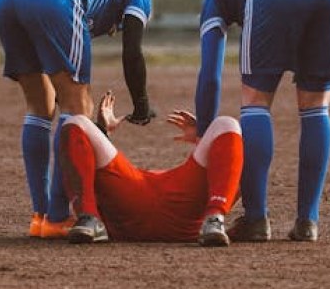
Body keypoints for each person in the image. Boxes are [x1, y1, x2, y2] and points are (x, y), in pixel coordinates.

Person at [193, 0, 330, 242]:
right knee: (316, 104)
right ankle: (308, 222)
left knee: (255, 101)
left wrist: (204, 131)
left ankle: (256, 220)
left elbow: (210, 74)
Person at [0, 0, 156, 238]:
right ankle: (58, 216)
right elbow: (132, 52)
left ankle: (39, 217)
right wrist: (141, 104)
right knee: (78, 109)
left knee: (39, 105)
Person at [57, 91, 243, 246]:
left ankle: (88, 218)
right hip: (178, 205)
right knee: (227, 125)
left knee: (76, 122)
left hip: (132, 201)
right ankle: (215, 219)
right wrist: (204, 139)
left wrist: (203, 139)